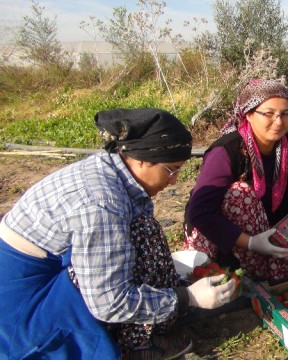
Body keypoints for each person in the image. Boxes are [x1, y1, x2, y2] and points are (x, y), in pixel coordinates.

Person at [0, 108, 237, 359]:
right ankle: (136, 345)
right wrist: (185, 298)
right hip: (22, 302)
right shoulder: (102, 203)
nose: (175, 181)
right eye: (172, 170)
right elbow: (108, 301)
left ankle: (143, 327)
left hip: (38, 271)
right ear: (142, 159)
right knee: (137, 240)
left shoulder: (111, 169)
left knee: (141, 231)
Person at [184, 79, 288, 282]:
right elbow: (201, 212)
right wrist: (252, 243)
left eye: (285, 114)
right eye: (268, 113)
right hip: (223, 231)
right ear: (249, 115)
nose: (278, 121)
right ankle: (238, 261)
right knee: (239, 192)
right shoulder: (226, 151)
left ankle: (267, 263)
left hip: (267, 224)